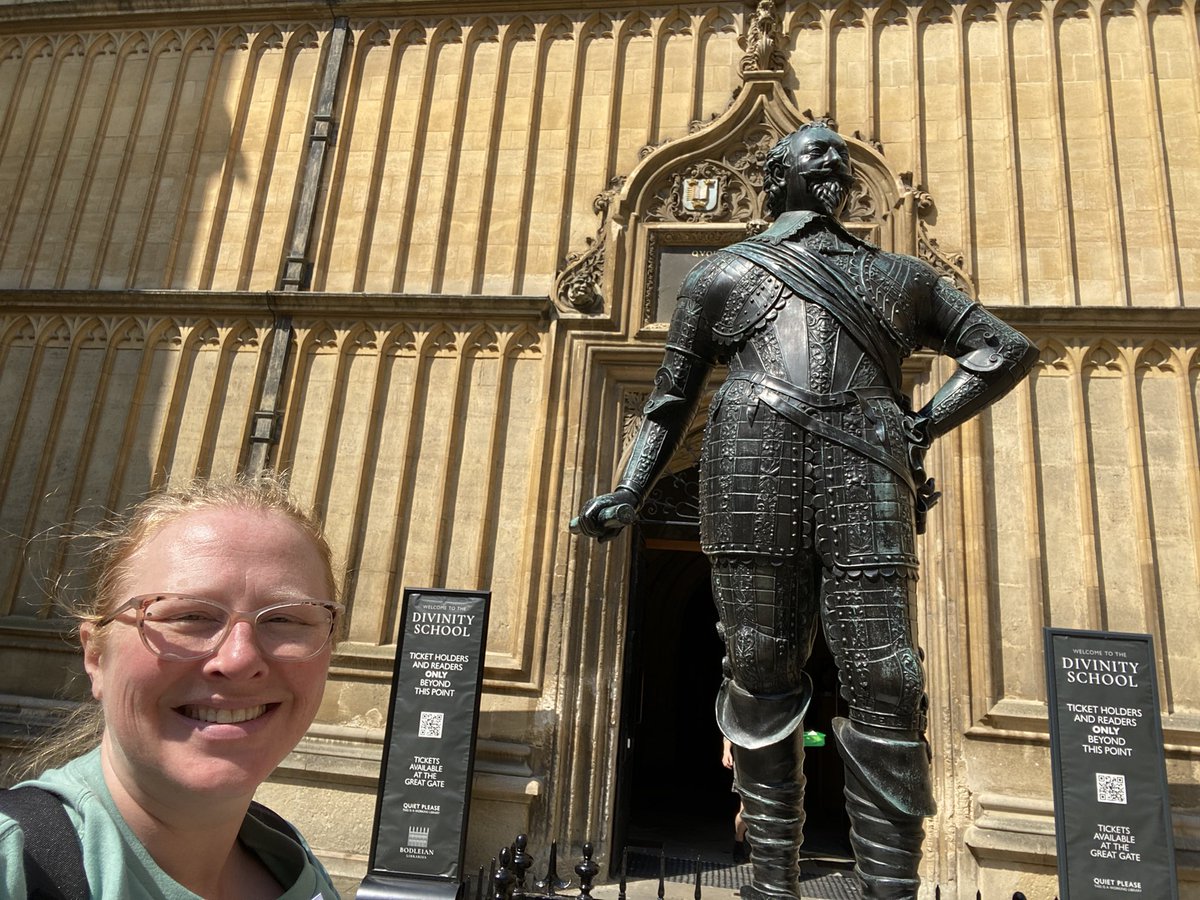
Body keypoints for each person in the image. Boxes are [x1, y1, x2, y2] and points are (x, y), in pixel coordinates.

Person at [572, 122, 1036, 899]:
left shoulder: (900, 276)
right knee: (758, 667)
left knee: (887, 674)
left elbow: (1002, 350)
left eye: (841, 158)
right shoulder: (722, 274)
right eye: (815, 154)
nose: (834, 164)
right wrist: (631, 488)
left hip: (866, 468)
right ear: (775, 175)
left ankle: (889, 888)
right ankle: (771, 882)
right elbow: (667, 401)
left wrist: (922, 425)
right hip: (751, 464)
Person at [1, 476, 344, 899]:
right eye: (189, 617)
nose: (238, 660)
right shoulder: (14, 864)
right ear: (96, 657)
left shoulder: (294, 865)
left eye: (285, 620)